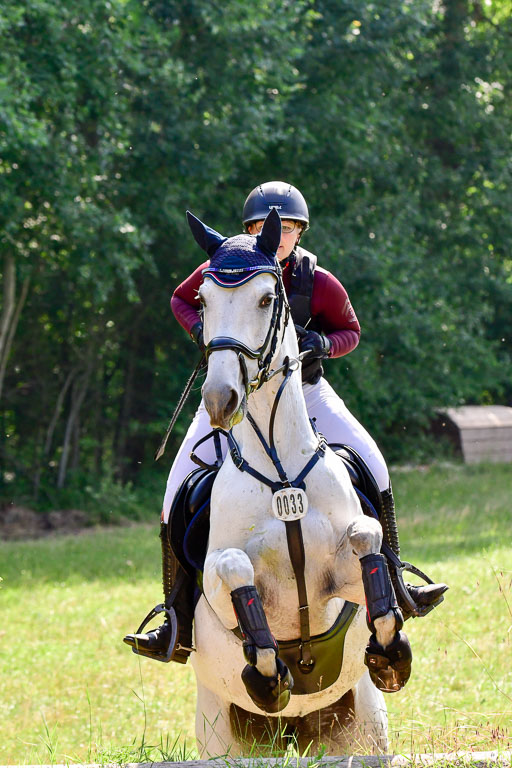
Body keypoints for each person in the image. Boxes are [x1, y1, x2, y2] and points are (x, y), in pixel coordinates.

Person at [124, 181, 447, 663]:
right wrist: (204, 334)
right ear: (249, 231)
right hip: (236, 391)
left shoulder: (315, 280)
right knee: (174, 491)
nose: (277, 237)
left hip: (305, 393)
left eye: (288, 229)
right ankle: (177, 618)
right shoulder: (228, 265)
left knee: (375, 466)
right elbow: (180, 299)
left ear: (298, 232)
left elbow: (350, 332)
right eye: (263, 228)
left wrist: (322, 344)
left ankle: (396, 581)